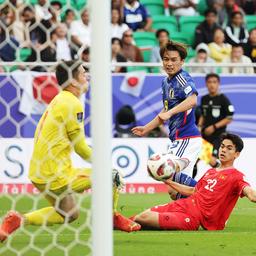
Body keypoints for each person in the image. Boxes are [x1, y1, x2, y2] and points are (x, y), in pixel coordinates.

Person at [0, 60, 124, 241]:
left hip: (39, 172)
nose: (86, 76)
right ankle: (112, 219)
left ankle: (18, 220)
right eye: (83, 73)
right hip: (55, 173)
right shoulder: (72, 103)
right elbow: (81, 148)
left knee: (69, 214)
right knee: (112, 175)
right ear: (73, 81)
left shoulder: (60, 99)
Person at [115, 133, 256, 232]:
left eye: (229, 148)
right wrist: (168, 181)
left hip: (193, 218)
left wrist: (251, 194)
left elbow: (250, 193)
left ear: (237, 154)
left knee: (145, 217)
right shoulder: (211, 172)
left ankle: (131, 225)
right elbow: (193, 192)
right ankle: (115, 224)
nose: (223, 150)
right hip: (183, 205)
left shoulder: (236, 176)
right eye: (222, 146)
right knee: (143, 214)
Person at [132, 41, 202, 199]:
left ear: (182, 61)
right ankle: (192, 215)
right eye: (166, 59)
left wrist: (170, 113)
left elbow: (192, 100)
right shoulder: (165, 82)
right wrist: (147, 128)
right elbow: (165, 110)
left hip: (187, 138)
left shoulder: (183, 78)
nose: (169, 63)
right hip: (178, 139)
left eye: (173, 59)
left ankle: (212, 193)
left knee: (167, 174)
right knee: (176, 190)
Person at [198, 73, 234, 167]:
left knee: (212, 159)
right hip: (205, 136)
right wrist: (199, 127)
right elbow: (203, 114)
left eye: (214, 82)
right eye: (209, 82)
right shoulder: (204, 99)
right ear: (206, 84)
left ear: (218, 84)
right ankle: (187, 181)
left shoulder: (223, 99)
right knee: (195, 158)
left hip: (218, 137)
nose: (212, 84)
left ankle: (223, 177)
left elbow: (229, 118)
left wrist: (214, 127)